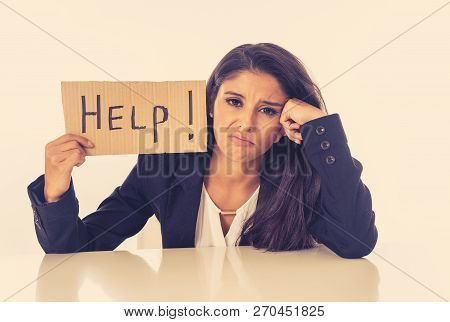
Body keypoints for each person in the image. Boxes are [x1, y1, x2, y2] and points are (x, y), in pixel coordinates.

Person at [27, 43, 378, 258]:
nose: (245, 123)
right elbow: (78, 247)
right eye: (234, 102)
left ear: (286, 119)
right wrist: (55, 186)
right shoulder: (164, 163)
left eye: (268, 109)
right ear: (211, 102)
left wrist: (322, 127)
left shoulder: (305, 172)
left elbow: (355, 244)